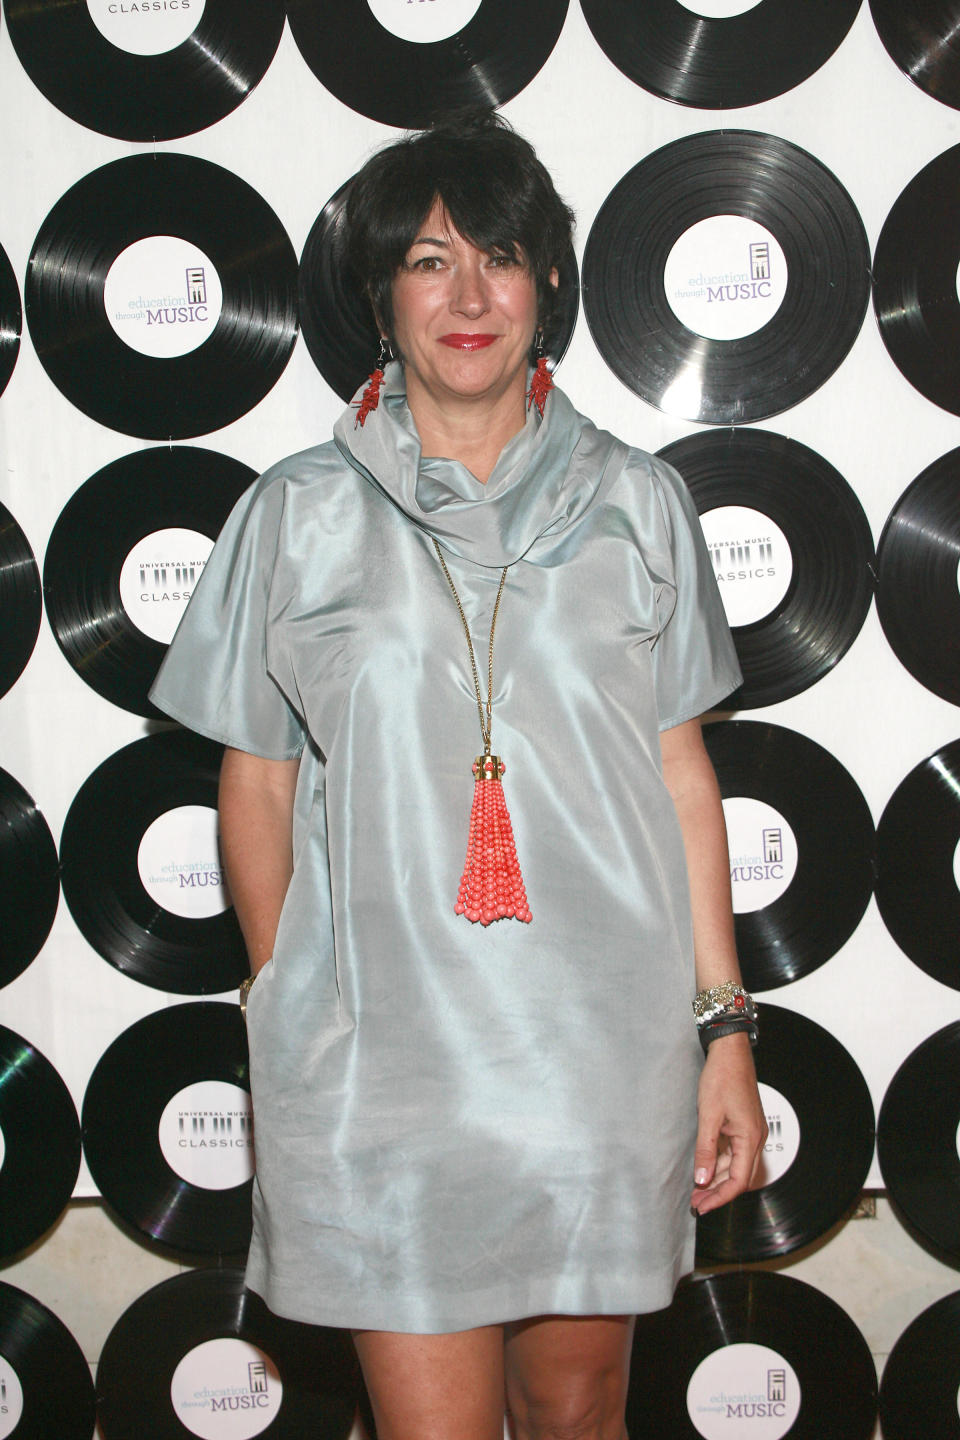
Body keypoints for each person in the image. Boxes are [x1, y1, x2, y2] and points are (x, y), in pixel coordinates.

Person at [150, 109, 766, 1440]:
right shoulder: (294, 514)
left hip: (599, 1054)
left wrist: (724, 1028)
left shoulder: (638, 501)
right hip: (384, 1062)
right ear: (383, 294)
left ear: (549, 283)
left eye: (499, 255)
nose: (470, 293)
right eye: (430, 261)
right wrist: (282, 994)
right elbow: (253, 784)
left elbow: (679, 774)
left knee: (579, 1412)